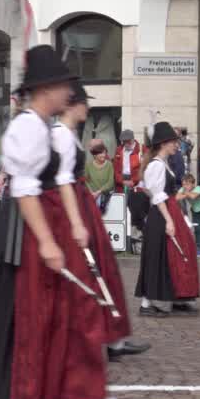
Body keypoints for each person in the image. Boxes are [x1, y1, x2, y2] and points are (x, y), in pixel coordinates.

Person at [0, 46, 146, 399]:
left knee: (55, 313)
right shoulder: (28, 127)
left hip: (36, 231)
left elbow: (61, 180)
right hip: (19, 236)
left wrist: (75, 227)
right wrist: (46, 243)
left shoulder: (44, 127)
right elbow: (25, 191)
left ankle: (79, 394)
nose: (69, 93)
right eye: (63, 86)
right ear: (46, 89)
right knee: (7, 317)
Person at [55, 84, 149, 363]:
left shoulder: (69, 135)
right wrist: (75, 222)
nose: (87, 108)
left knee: (104, 271)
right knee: (87, 275)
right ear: (72, 105)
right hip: (75, 209)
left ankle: (113, 338)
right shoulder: (60, 135)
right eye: (83, 103)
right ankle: (90, 339)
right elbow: (61, 182)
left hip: (83, 206)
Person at [135, 122, 200, 317]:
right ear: (163, 143)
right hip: (161, 214)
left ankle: (178, 296)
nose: (176, 145)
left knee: (176, 254)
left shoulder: (164, 164)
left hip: (169, 210)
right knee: (158, 257)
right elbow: (156, 195)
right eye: (173, 142)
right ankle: (146, 304)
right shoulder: (156, 165)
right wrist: (169, 220)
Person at [175, 174, 200, 253]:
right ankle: (196, 247)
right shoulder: (184, 189)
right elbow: (176, 197)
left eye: (187, 184)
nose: (185, 186)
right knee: (196, 229)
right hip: (194, 210)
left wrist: (185, 193)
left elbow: (193, 196)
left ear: (193, 184)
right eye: (183, 184)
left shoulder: (198, 188)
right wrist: (186, 194)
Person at [84, 143, 114, 214]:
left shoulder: (109, 165)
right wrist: (91, 192)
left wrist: (99, 192)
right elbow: (85, 180)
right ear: (94, 155)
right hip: (91, 195)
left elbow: (111, 182)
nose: (103, 155)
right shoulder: (88, 165)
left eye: (104, 153)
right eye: (101, 153)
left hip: (105, 196)